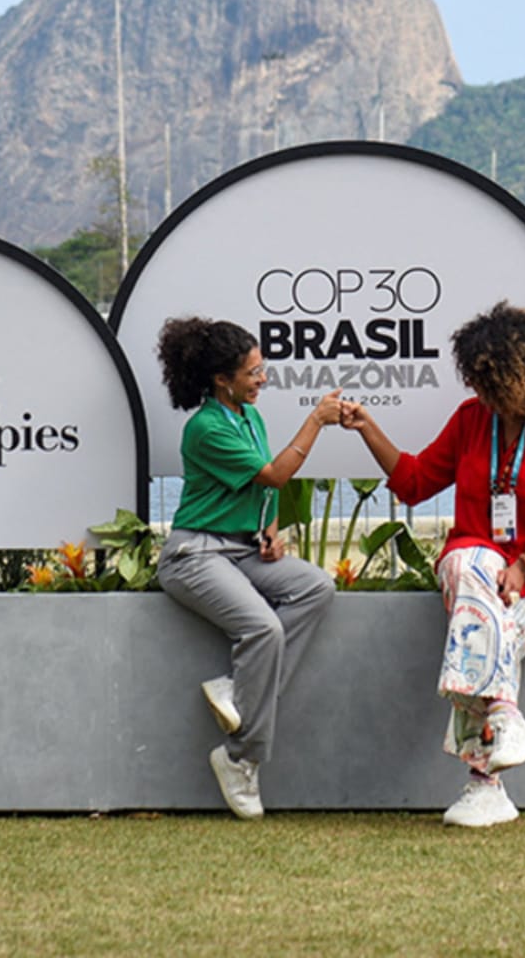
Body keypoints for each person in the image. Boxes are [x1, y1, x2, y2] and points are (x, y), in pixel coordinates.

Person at [342, 301, 525, 828]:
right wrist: (368, 427)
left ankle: (485, 786)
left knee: (480, 629)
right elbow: (414, 483)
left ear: (520, 377)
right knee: (466, 564)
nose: (481, 394)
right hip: (480, 568)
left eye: (491, 384)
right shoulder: (469, 421)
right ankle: (505, 719)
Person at [155, 316, 341, 820]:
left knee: (316, 586)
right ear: (222, 379)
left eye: (263, 369)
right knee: (262, 629)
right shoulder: (206, 427)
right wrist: (317, 421)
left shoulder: (250, 418)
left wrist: (270, 531)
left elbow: (263, 489)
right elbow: (277, 474)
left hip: (241, 550)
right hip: (194, 555)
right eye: (253, 372)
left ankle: (241, 691)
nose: (262, 379)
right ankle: (240, 758)